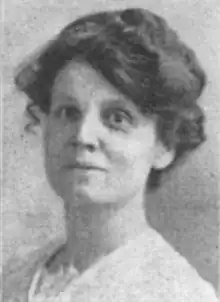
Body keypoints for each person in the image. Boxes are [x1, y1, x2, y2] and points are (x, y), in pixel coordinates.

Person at [3, 7, 218, 302]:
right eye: (68, 112)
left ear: (164, 145)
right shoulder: (13, 280)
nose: (82, 136)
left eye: (117, 118)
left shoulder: (178, 293)